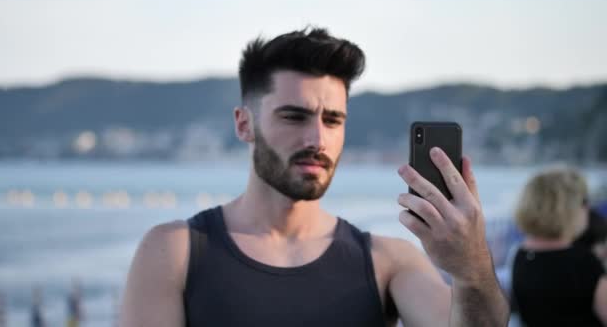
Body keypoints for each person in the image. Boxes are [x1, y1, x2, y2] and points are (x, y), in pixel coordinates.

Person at [120, 27, 509, 326]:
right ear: (244, 124)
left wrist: (470, 266)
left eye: (333, 119)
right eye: (294, 116)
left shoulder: (387, 262)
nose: (317, 138)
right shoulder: (173, 252)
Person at [511, 167, 607, 326]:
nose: (587, 208)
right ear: (567, 209)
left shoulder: (520, 255)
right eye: (583, 201)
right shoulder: (583, 263)